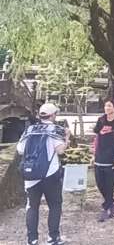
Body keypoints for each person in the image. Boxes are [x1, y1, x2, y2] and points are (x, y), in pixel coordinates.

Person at [17, 103, 70, 245]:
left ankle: (32, 240)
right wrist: (66, 138)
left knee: (32, 206)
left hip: (31, 175)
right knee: (55, 205)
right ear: (53, 115)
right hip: (50, 174)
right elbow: (60, 150)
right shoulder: (54, 129)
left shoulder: (30, 129)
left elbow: (20, 149)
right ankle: (53, 238)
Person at [93, 99, 114, 222]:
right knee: (100, 183)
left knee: (109, 185)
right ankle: (112, 203)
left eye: (110, 106)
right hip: (99, 157)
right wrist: (93, 154)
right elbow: (96, 137)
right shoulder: (101, 120)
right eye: (106, 106)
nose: (107, 108)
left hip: (110, 158)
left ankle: (106, 210)